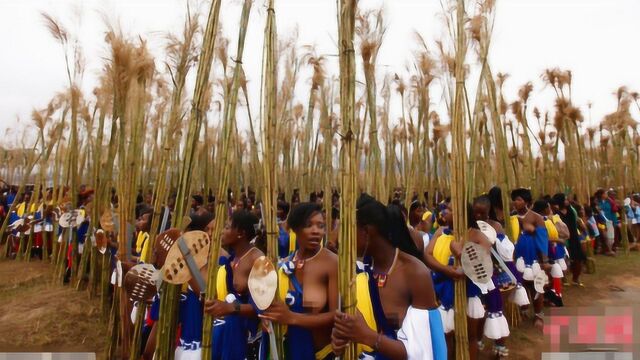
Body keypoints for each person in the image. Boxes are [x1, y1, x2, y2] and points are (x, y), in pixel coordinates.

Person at [333, 194, 446, 360]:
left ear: (366, 231)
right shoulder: (354, 273)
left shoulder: (414, 273)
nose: (341, 240)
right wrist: (339, 341)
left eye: (347, 232)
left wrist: (367, 336)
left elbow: (420, 353)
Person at [260, 202, 338, 359]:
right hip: (285, 350)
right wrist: (268, 319)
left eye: (321, 226)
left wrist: (292, 318)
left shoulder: (332, 263)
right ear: (295, 229)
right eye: (308, 225)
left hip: (319, 354)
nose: (316, 231)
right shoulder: (283, 264)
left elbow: (337, 315)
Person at [425, 199, 487, 360]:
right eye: (446, 208)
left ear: (461, 214)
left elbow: (483, 266)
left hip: (468, 292)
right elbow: (427, 254)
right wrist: (446, 270)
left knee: (469, 336)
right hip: (443, 290)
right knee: (446, 335)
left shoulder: (477, 235)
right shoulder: (440, 231)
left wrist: (460, 253)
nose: (445, 212)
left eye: (450, 210)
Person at [205, 209, 264, 360]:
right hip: (225, 333)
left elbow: (262, 307)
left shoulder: (257, 260)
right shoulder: (231, 259)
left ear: (241, 233)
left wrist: (230, 308)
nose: (222, 232)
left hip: (246, 340)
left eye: (226, 227)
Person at [509, 188, 550, 330]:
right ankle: (523, 308)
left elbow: (543, 239)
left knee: (536, 285)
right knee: (520, 283)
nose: (515, 202)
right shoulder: (512, 218)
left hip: (533, 257)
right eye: (514, 199)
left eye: (519, 199)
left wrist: (544, 261)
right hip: (517, 255)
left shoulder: (536, 217)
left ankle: (539, 315)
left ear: (526, 201)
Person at [552, 193, 586, 287]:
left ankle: (576, 278)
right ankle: (564, 279)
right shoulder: (556, 213)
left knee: (578, 259)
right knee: (563, 259)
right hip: (562, 239)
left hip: (574, 238)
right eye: (565, 199)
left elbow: (577, 221)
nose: (567, 201)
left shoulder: (572, 211)